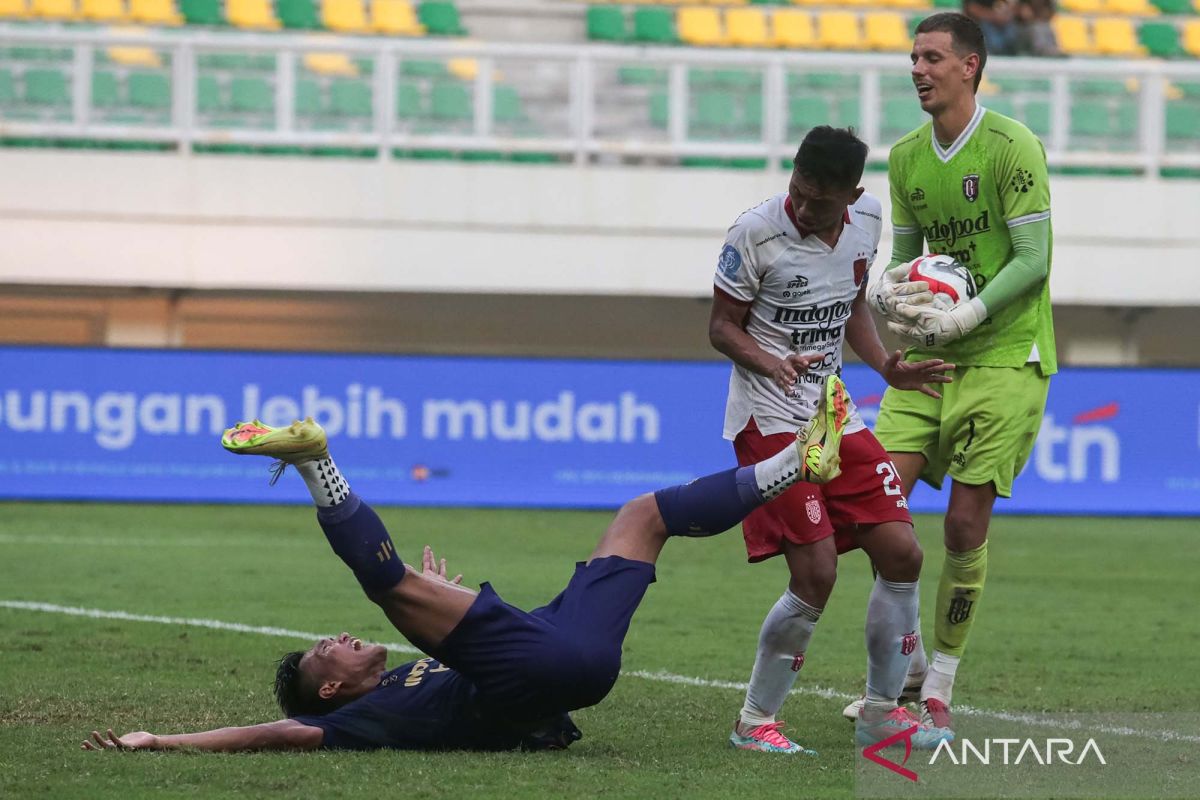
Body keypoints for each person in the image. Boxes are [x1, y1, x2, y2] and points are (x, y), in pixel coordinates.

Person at [82, 378, 851, 754]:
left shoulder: (409, 676)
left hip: (565, 654)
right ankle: (319, 463)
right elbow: (275, 733)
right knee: (388, 586)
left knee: (641, 515)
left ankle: (797, 461)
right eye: (329, 649)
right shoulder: (359, 718)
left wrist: (445, 604)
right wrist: (167, 743)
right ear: (331, 689)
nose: (339, 639)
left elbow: (471, 654)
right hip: (543, 664)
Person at [708, 126, 956, 756]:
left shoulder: (868, 220)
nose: (805, 207)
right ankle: (753, 722)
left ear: (854, 195)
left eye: (821, 201)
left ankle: (880, 713)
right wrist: (771, 361)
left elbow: (850, 308)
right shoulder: (753, 233)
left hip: (832, 415)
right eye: (798, 190)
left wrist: (885, 366)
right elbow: (720, 328)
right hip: (768, 420)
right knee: (816, 572)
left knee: (902, 553)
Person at [865, 11, 1055, 733]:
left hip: (1006, 354)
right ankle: (907, 667)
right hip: (929, 362)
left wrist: (967, 316)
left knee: (964, 522)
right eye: (913, 57)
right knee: (874, 507)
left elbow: (1034, 261)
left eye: (932, 57)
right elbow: (905, 260)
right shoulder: (908, 155)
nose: (918, 69)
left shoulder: (1013, 146)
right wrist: (892, 291)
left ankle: (938, 679)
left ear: (970, 66)